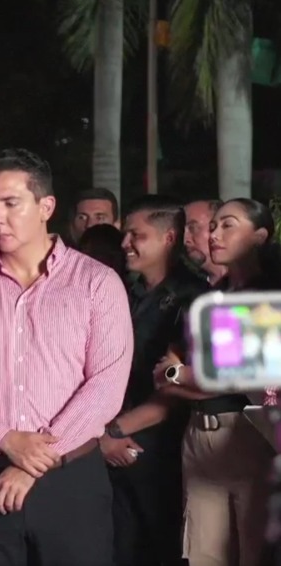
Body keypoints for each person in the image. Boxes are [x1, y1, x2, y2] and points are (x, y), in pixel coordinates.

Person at [0, 148, 133, 566]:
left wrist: (33, 461)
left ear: (46, 207)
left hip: (71, 481)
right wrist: (4, 438)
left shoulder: (96, 283)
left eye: (10, 203)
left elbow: (107, 385)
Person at [155, 198, 280, 566]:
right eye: (213, 226)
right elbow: (174, 365)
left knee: (254, 550)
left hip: (251, 434)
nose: (214, 234)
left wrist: (180, 374)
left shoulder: (267, 293)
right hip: (198, 432)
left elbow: (238, 375)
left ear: (260, 236)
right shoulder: (209, 296)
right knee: (202, 551)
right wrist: (185, 374)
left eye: (228, 225)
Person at [104, 196, 207, 566]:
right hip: (115, 446)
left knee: (160, 550)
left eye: (137, 234)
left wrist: (112, 433)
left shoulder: (193, 298)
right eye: (125, 233)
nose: (125, 243)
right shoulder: (124, 292)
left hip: (162, 450)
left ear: (168, 238)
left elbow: (180, 388)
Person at [183, 198, 228, 286]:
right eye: (182, 231)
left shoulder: (255, 286)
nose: (185, 239)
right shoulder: (185, 288)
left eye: (193, 228)